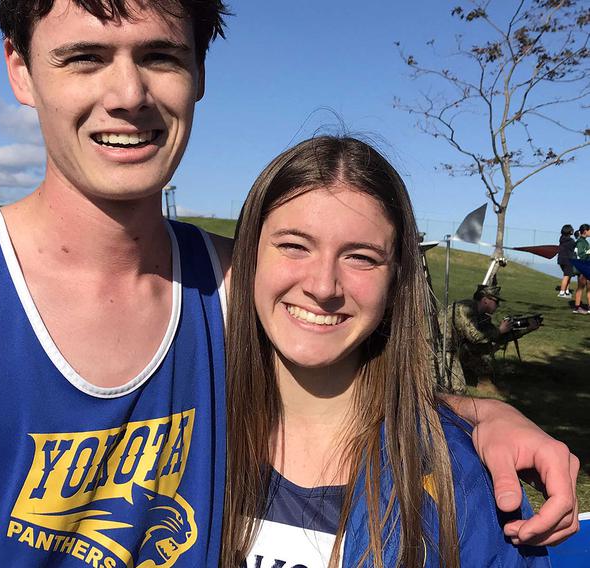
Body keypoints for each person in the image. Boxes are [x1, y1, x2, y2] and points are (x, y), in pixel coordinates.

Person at [0, 2, 580, 566]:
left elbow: (346, 366)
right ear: (18, 64)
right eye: (83, 56)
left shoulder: (228, 287)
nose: (128, 94)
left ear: (197, 71)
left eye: (159, 54)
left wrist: (484, 418)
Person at [221, 136, 549, 568]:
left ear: (396, 284)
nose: (322, 286)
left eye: (360, 257)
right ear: (248, 258)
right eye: (294, 246)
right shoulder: (181, 437)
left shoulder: (466, 480)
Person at [442, 283, 540, 394]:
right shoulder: (465, 309)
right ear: (485, 300)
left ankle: (484, 382)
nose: (498, 306)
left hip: (454, 346)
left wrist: (528, 328)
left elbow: (497, 338)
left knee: (485, 346)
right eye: (496, 302)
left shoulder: (483, 316)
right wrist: (500, 330)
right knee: (457, 389)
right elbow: (475, 336)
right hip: (440, 346)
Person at [571, 224, 589, 315]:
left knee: (582, 288)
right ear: (585, 231)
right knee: (581, 288)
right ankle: (577, 307)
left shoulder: (583, 241)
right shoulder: (581, 242)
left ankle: (578, 307)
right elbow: (581, 255)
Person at [557, 224, 576, 298]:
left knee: (568, 275)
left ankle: (566, 291)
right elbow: (575, 246)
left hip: (561, 259)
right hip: (568, 260)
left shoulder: (562, 239)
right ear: (569, 231)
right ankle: (562, 292)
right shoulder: (571, 241)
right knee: (567, 275)